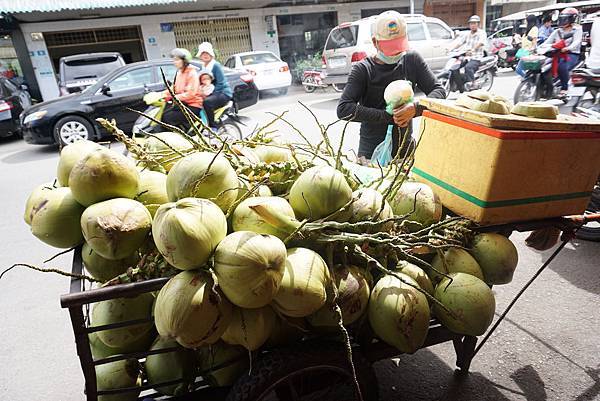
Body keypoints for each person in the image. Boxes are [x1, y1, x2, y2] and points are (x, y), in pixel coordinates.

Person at [336, 11, 445, 164]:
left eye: (399, 45)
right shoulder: (363, 69)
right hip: (371, 153)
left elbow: (439, 91)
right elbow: (344, 109)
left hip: (405, 150)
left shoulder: (412, 60)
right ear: (375, 42)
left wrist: (415, 108)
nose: (396, 52)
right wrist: (387, 116)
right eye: (390, 47)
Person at [543, 7, 582, 96]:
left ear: (571, 19)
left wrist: (568, 48)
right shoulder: (557, 31)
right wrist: (537, 48)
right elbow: (547, 42)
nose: (563, 21)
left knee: (562, 66)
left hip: (571, 54)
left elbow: (577, 41)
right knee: (544, 64)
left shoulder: (577, 30)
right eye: (562, 18)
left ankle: (565, 88)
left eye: (565, 19)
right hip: (557, 53)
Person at [161, 48, 202, 127]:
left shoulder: (192, 74)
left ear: (185, 61)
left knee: (167, 118)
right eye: (174, 60)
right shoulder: (179, 73)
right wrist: (161, 95)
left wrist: (175, 97)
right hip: (182, 104)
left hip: (193, 105)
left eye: (177, 60)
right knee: (163, 114)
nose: (174, 62)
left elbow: (191, 93)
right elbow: (174, 88)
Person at [196, 42, 233, 129]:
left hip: (222, 93)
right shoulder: (203, 66)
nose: (205, 55)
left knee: (207, 102)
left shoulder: (215, 65)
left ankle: (212, 126)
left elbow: (220, 83)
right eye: (203, 53)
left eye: (207, 53)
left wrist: (209, 94)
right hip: (211, 92)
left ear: (211, 54)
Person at [447, 15, 488, 92]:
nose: (472, 25)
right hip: (466, 56)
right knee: (454, 67)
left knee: (468, 67)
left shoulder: (482, 33)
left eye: (474, 23)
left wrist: (473, 49)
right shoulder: (467, 34)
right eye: (471, 23)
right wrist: (451, 49)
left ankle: (473, 83)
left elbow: (481, 43)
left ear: (478, 24)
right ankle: (460, 86)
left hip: (476, 57)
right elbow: (460, 43)